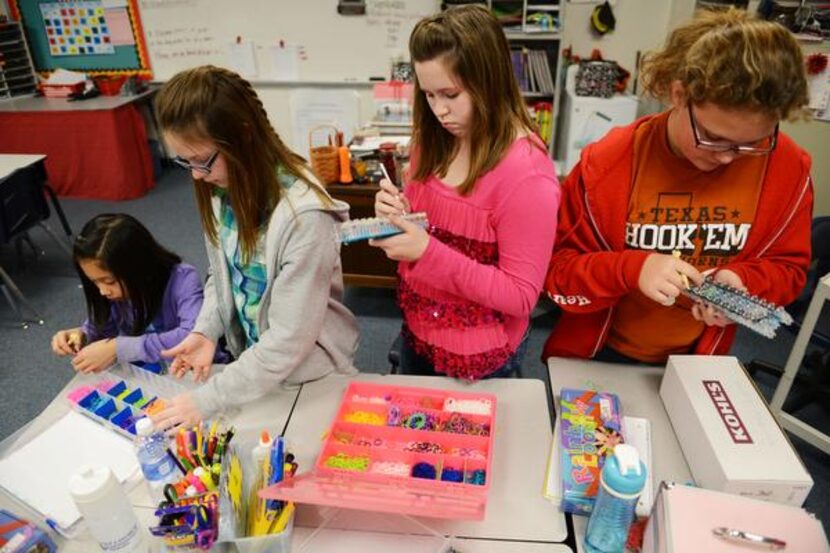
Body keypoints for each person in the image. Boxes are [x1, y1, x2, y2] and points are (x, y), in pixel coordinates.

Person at [543, 8, 813, 364]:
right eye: (714, 138)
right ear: (679, 95)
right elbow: (558, 276)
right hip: (600, 351)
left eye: (753, 143)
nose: (729, 158)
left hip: (699, 358)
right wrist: (632, 269)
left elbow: (790, 269)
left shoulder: (788, 167)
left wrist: (744, 280)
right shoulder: (608, 164)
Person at [150, 66, 359, 429]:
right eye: (184, 161)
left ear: (243, 136)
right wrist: (205, 330)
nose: (195, 175)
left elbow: (287, 342)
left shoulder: (305, 217)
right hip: (255, 370)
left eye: (201, 160)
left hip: (308, 377)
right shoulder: (220, 187)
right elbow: (223, 273)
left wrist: (206, 400)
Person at [372, 5, 560, 380]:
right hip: (418, 330)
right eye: (428, 95)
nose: (439, 111)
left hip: (480, 358)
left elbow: (522, 295)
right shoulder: (434, 139)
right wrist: (397, 212)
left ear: (489, 81)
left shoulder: (526, 176)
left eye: (451, 94)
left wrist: (427, 251)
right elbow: (428, 221)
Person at [51, 213, 205, 374]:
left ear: (138, 266)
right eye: (94, 282)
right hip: (147, 373)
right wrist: (83, 334)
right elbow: (104, 326)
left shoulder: (183, 279)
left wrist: (118, 347)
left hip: (193, 371)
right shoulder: (116, 293)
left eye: (109, 281)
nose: (103, 291)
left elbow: (193, 336)